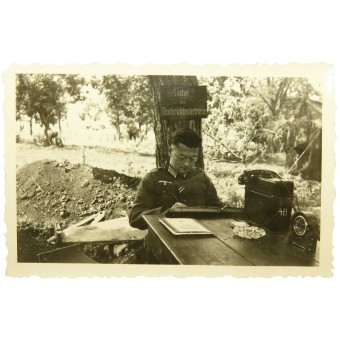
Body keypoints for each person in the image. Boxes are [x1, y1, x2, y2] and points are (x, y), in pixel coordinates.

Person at [128, 128, 222, 229]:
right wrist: (167, 212)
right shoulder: (153, 179)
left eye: (193, 158)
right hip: (163, 240)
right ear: (170, 151)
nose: (187, 163)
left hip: (199, 237)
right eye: (181, 157)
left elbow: (217, 208)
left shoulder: (201, 177)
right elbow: (135, 216)